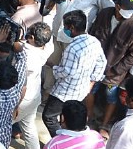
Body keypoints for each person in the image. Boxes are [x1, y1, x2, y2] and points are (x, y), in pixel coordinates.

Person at [43, 10, 107, 138]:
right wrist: (92, 81)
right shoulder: (94, 41)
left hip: (64, 92)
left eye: (65, 27)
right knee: (69, 118)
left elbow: (66, 72)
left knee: (49, 117)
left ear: (71, 28)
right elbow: (102, 62)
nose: (65, 30)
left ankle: (60, 141)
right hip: (81, 90)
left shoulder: (72, 48)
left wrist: (52, 66)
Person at [88, 0, 133, 127]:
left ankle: (104, 124)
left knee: (111, 97)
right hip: (95, 65)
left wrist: (116, 69)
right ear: (117, 6)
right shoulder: (104, 14)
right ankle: (88, 118)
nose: (129, 13)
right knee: (89, 90)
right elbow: (92, 33)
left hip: (114, 73)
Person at [15, 22, 54, 149]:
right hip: (34, 96)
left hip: (21, 100)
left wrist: (14, 107)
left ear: (31, 37)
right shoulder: (45, 49)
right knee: (29, 129)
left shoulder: (26, 52)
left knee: (0, 130)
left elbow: (21, 86)